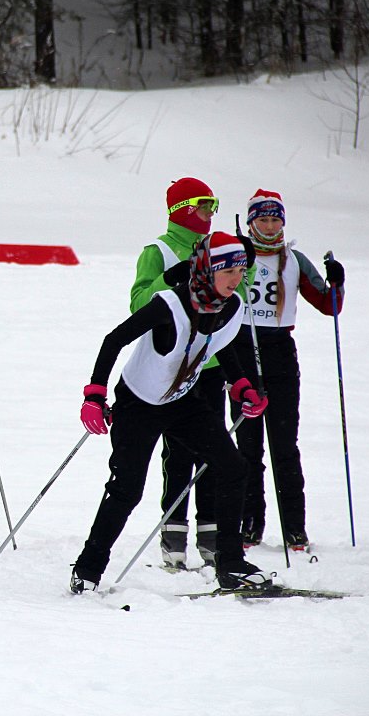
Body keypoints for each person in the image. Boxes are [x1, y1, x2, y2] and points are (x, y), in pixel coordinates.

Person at [72, 232, 271, 593]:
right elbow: (114, 339)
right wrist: (95, 394)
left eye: (242, 271)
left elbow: (224, 348)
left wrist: (241, 385)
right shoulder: (171, 303)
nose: (236, 279)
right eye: (229, 271)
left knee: (233, 467)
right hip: (138, 405)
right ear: (208, 270)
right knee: (127, 490)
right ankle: (87, 568)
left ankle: (230, 563)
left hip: (181, 402)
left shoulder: (231, 306)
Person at [236, 189, 345, 551]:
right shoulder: (238, 255)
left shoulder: (294, 259)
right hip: (241, 352)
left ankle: (294, 528)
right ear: (250, 222)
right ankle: (249, 523)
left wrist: (337, 282)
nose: (269, 226)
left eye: (275, 219)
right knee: (247, 446)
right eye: (262, 219)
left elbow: (329, 306)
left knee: (284, 445)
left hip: (280, 351)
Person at [130, 176, 229, 569]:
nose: (209, 214)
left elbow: (233, 294)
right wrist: (169, 279)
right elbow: (139, 304)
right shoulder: (158, 250)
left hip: (212, 363)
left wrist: (246, 267)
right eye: (205, 205)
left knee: (214, 450)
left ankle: (212, 533)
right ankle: (174, 533)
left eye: (212, 207)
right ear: (184, 208)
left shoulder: (215, 248)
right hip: (174, 367)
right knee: (179, 452)